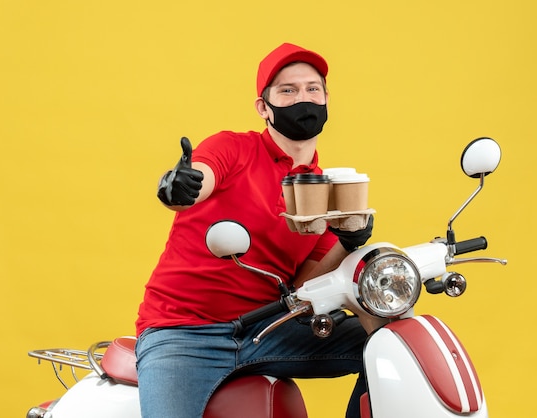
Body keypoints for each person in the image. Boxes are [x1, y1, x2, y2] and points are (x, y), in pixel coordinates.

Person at [135, 42, 374, 418]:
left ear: (327, 99)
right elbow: (198, 180)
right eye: (288, 90)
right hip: (184, 332)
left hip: (267, 330)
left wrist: (347, 242)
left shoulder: (325, 191)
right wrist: (179, 185)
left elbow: (302, 285)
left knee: (389, 345)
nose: (303, 99)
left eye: (313, 89)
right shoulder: (234, 148)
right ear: (264, 107)